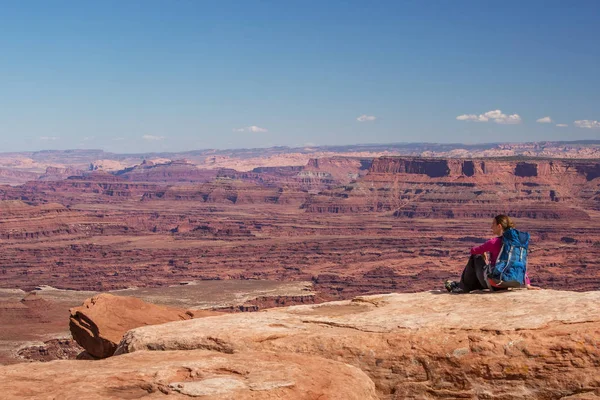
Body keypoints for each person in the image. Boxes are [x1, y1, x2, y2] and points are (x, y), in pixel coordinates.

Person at [445, 215, 541, 293]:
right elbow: (519, 263)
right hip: (512, 282)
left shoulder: (494, 242)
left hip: (495, 284)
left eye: (493, 224)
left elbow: (473, 250)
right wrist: (527, 284)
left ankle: (463, 287)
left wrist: (483, 253)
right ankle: (467, 286)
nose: (491, 227)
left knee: (476, 257)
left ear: (499, 226)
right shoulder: (515, 244)